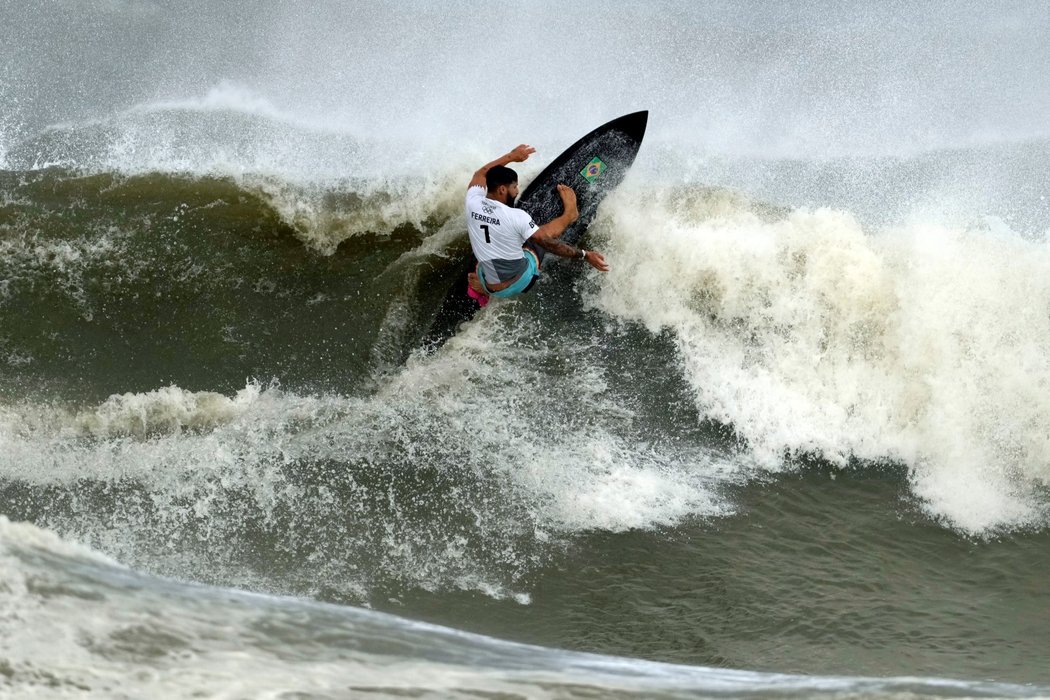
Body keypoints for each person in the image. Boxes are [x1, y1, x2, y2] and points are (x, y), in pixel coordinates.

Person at [465, 144, 609, 305]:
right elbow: (548, 240)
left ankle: (483, 288)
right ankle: (570, 214)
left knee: (485, 245)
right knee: (536, 240)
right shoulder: (516, 216)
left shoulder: (473, 201)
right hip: (519, 281)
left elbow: (481, 173)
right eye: (514, 187)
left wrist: (511, 156)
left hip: (490, 282)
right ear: (502, 190)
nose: (517, 190)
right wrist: (585, 254)